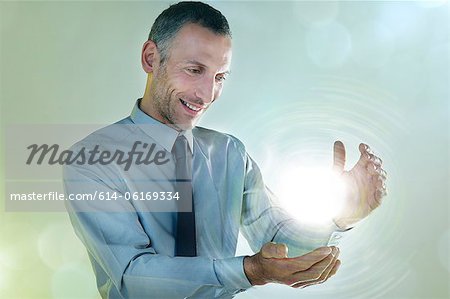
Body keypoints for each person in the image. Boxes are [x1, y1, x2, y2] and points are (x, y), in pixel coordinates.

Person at [63, 2, 387, 298]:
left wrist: (341, 217)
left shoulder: (230, 154)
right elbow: (133, 277)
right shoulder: (91, 159)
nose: (207, 93)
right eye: (194, 70)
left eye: (220, 76)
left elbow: (279, 246)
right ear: (151, 58)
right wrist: (247, 270)